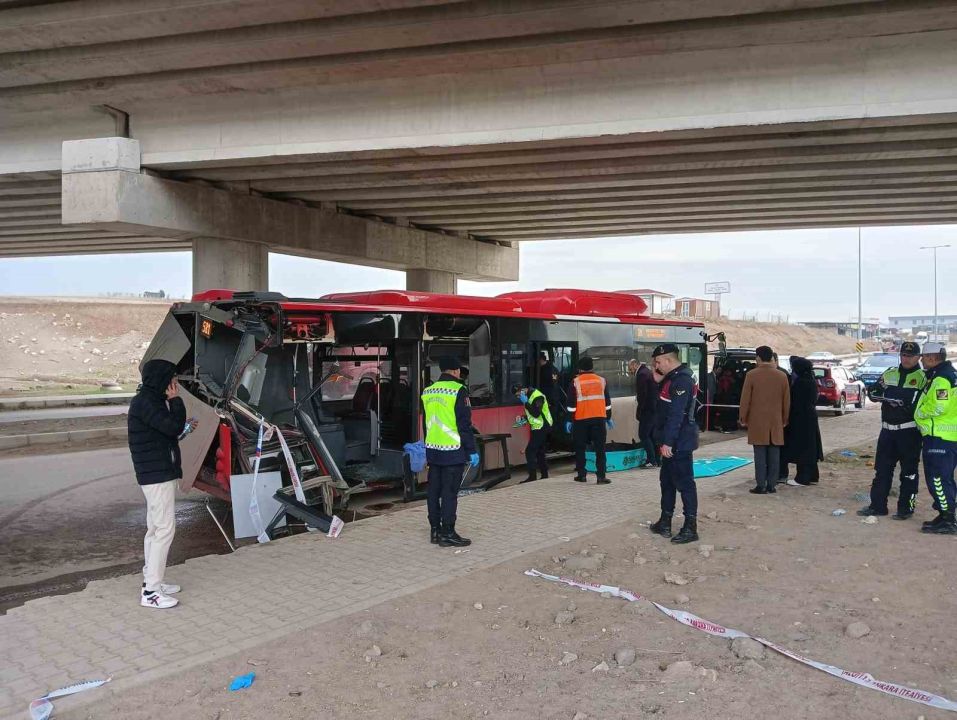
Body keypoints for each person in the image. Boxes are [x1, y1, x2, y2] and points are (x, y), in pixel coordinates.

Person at [128, 359, 197, 610]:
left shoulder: (149, 400)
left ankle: (152, 579)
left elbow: (168, 433)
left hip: (156, 472)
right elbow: (172, 427)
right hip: (156, 475)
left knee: (155, 528)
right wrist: (176, 402)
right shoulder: (147, 402)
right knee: (165, 529)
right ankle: (151, 592)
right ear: (161, 379)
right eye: (172, 379)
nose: (175, 384)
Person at [857, 341, 925, 519]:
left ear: (918, 357)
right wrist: (879, 395)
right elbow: (873, 391)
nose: (906, 359)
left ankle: (905, 509)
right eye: (903, 355)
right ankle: (877, 506)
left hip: (909, 432)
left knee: (909, 472)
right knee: (882, 470)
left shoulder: (923, 377)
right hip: (887, 431)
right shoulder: (890, 373)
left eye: (910, 356)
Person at [422, 356, 478, 547]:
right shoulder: (458, 391)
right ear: (456, 371)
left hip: (433, 449)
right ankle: (448, 532)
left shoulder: (428, 391)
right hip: (453, 451)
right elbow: (464, 424)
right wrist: (471, 450)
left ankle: (435, 531)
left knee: (433, 491)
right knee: (449, 493)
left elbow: (426, 423)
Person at [648, 344, 700, 544]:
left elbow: (677, 414)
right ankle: (665, 520)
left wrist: (668, 442)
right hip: (671, 440)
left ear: (669, 360)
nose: (656, 365)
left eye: (659, 362)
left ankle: (690, 526)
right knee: (667, 481)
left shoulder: (682, 380)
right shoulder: (674, 377)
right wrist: (659, 381)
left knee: (685, 484)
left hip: (679, 441)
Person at [913, 342, 957, 534]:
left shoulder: (942, 379)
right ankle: (944, 514)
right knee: (943, 478)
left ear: (932, 358)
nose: (921, 359)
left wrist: (920, 413)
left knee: (938, 478)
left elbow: (940, 406)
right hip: (943, 436)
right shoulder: (944, 375)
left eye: (923, 356)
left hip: (939, 436)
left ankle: (948, 520)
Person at [739, 345, 791, 495]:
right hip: (776, 420)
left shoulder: (752, 375)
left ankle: (760, 484)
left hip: (757, 421)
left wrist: (743, 417)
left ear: (758, 358)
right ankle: (772, 485)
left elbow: (745, 399)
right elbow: (786, 400)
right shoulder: (781, 376)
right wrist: (785, 418)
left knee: (760, 454)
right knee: (774, 453)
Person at [565, 356, 613, 484]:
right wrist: (608, 417)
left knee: (580, 448)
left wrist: (569, 420)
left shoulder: (575, 382)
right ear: (592, 367)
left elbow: (571, 405)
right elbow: (607, 402)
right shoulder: (602, 381)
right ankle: (601, 476)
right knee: (600, 449)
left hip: (581, 420)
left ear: (580, 368)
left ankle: (582, 475)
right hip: (599, 419)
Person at [783, 356, 823, 486]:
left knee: (803, 447)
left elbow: (795, 401)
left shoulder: (801, 383)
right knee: (810, 446)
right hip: (810, 417)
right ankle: (812, 475)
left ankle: (802, 477)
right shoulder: (810, 380)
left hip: (801, 418)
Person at [512, 383, 552, 483]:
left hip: (542, 426)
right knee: (540, 451)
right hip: (537, 427)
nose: (518, 397)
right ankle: (544, 474)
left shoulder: (537, 396)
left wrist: (526, 403)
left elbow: (536, 413)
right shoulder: (528, 396)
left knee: (530, 451)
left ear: (523, 390)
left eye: (518, 394)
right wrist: (524, 420)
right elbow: (531, 414)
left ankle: (532, 477)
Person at [630, 358, 659, 468]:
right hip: (653, 409)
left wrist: (639, 411)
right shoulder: (647, 372)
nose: (630, 371)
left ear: (635, 365)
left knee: (643, 435)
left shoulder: (641, 374)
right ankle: (657, 460)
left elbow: (642, 395)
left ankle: (651, 460)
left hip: (647, 410)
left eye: (630, 368)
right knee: (651, 436)